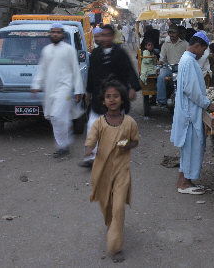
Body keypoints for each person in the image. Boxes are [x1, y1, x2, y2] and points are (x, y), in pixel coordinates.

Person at [85, 77, 139, 263]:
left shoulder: (129, 122)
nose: (112, 99)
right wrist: (89, 148)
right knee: (106, 205)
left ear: (122, 99)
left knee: (118, 208)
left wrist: (126, 145)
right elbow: (91, 139)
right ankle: (111, 226)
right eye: (108, 96)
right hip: (102, 171)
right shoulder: (99, 122)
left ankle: (115, 246)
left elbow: (135, 141)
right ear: (103, 101)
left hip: (122, 171)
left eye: (116, 96)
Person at [81, 24, 141, 167]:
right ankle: (92, 156)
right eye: (102, 35)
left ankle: (118, 153)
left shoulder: (120, 53)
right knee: (92, 124)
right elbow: (91, 74)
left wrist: (133, 88)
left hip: (117, 98)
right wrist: (88, 91)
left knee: (119, 128)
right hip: (98, 97)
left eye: (108, 35)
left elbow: (130, 71)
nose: (105, 38)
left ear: (113, 36)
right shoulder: (95, 54)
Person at [171, 32, 214, 195]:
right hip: (191, 113)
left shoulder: (187, 59)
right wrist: (208, 104)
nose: (203, 53)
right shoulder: (189, 61)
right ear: (197, 45)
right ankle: (184, 183)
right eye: (203, 50)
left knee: (189, 149)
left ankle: (185, 180)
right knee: (192, 148)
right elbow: (192, 90)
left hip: (190, 111)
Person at [31, 23, 84, 158]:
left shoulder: (69, 50)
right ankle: (63, 146)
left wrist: (78, 90)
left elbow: (75, 71)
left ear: (62, 34)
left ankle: (65, 142)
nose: (55, 34)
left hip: (64, 89)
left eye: (58, 32)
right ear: (50, 34)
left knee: (57, 115)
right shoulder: (46, 50)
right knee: (55, 118)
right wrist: (36, 85)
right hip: (50, 90)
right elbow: (42, 69)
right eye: (53, 32)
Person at [156, 24, 188, 107]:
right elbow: (162, 58)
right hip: (169, 67)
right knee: (161, 77)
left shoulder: (185, 44)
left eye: (173, 33)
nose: (171, 34)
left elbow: (189, 56)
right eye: (170, 32)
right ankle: (161, 100)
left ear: (177, 33)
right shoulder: (165, 45)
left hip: (181, 67)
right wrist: (160, 62)